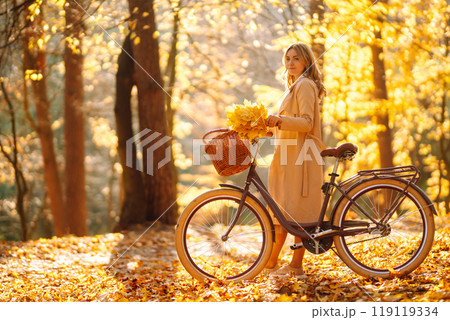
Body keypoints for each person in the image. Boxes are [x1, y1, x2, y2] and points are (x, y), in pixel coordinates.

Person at [264, 42, 326, 278]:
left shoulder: (306, 85)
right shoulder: (295, 86)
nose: (290, 63)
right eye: (288, 58)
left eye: (296, 59)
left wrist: (279, 120)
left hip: (301, 156)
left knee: (295, 214)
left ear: (306, 62)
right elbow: (289, 123)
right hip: (289, 155)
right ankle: (270, 263)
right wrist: (264, 126)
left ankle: (294, 266)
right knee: (282, 214)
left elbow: (306, 123)